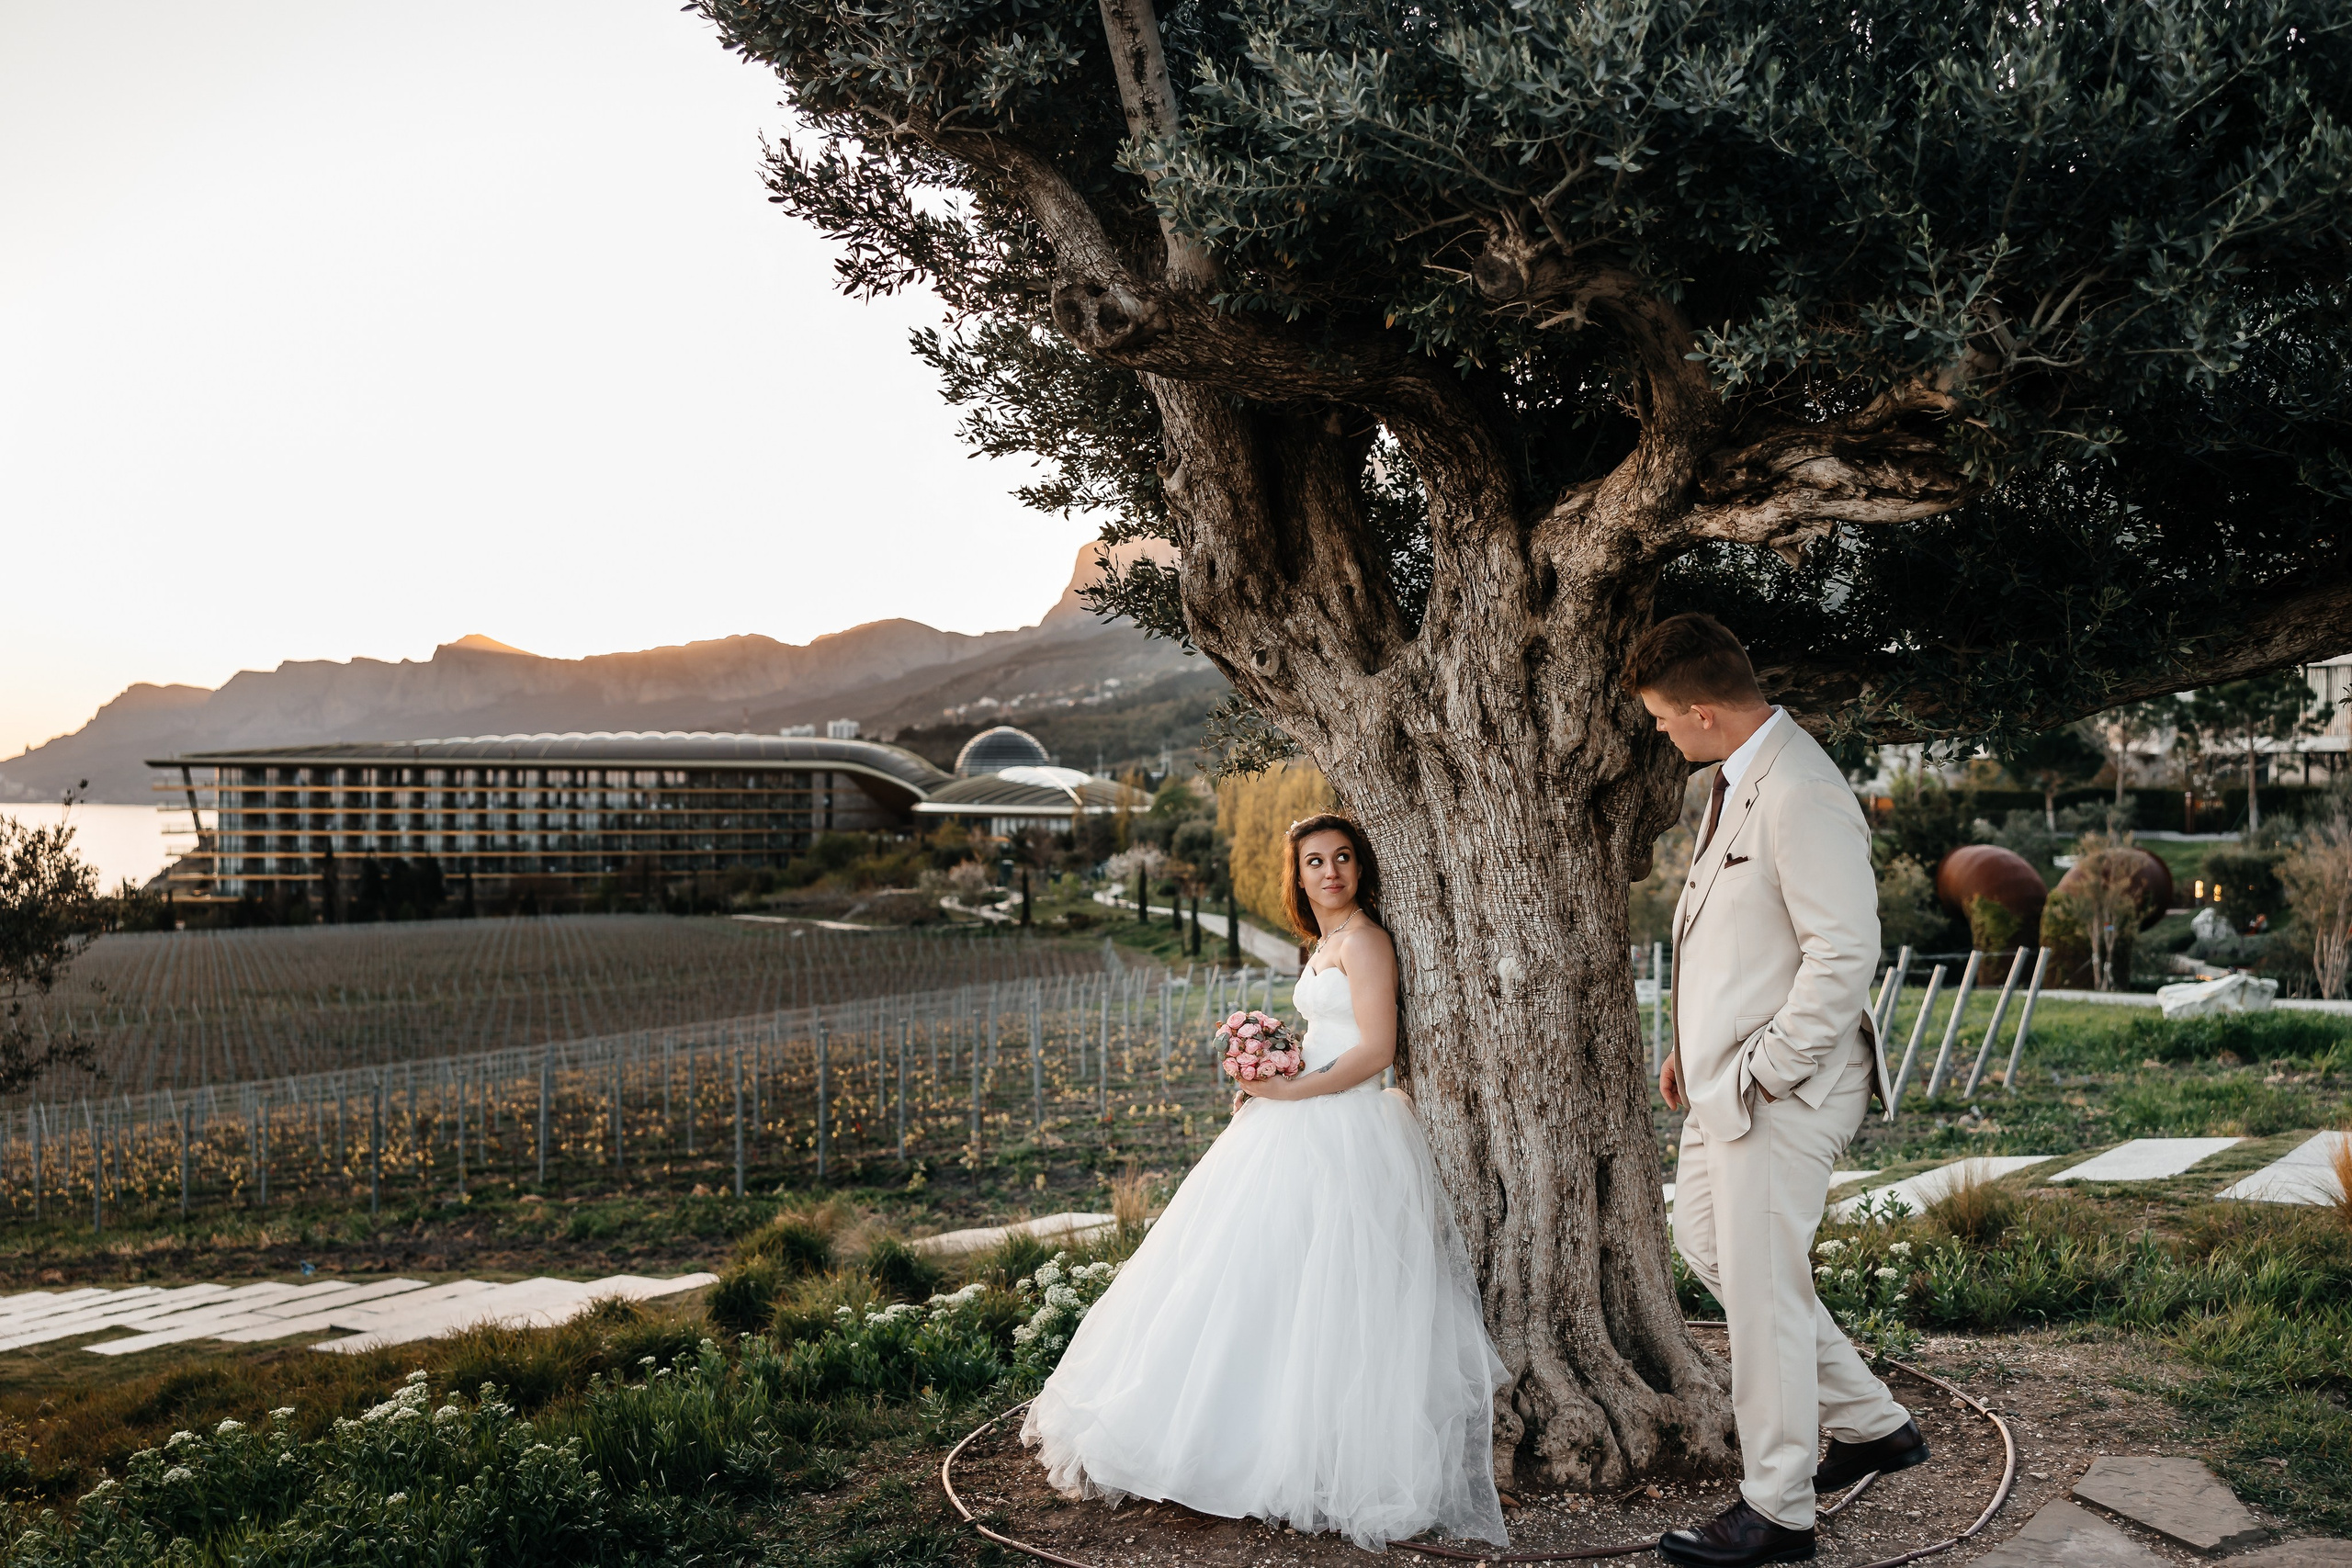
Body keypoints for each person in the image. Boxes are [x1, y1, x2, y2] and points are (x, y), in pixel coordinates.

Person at [1021, 813, 1509, 1552]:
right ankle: (1231, 1428)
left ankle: (1310, 1450)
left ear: (1359, 867)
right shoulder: (1322, 946)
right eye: (1315, 861)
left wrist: (1294, 1090)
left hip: (1346, 1124)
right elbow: (1325, 1038)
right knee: (1253, 1277)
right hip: (1301, 1111)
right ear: (1299, 874)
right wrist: (1269, 1065)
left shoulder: (1368, 941)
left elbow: (1377, 1048)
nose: (1331, 871)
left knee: (1332, 1292)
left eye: (1343, 857)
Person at [1630, 612, 1929, 1568]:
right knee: (1709, 1246)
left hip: (1779, 1088)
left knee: (1762, 1297)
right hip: (1719, 1077)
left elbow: (1845, 955)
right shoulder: (1736, 779)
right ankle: (1875, 1424)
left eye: (1666, 723)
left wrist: (1762, 1070)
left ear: (1705, 712)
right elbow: (1735, 935)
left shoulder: (1799, 789)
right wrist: (1691, 1044)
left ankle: (1777, 1510)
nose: (1663, 737)